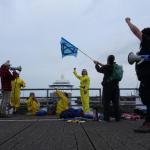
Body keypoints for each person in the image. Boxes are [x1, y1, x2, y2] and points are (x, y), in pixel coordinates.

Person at [125, 17, 150, 132]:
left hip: (148, 78)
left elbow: (135, 31)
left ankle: (148, 123)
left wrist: (128, 21)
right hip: (145, 78)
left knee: (148, 98)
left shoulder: (147, 41)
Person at [94, 55, 121, 122]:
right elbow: (106, 66)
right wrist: (99, 63)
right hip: (116, 87)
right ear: (113, 60)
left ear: (108, 60)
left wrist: (96, 64)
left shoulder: (106, 67)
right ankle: (118, 118)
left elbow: (99, 70)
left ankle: (106, 118)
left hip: (107, 88)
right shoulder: (116, 66)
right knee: (116, 103)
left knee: (106, 103)